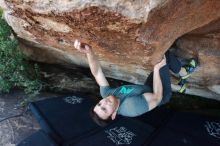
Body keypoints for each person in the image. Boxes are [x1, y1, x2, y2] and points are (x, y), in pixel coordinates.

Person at [74, 39, 197, 126]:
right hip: (160, 94)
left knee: (161, 62)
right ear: (113, 115)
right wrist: (156, 68)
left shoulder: (107, 94)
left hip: (147, 88)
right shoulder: (131, 107)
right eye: (105, 109)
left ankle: (181, 83)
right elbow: (157, 97)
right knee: (163, 58)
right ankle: (184, 73)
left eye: (99, 104)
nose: (104, 102)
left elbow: (97, 73)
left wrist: (89, 52)